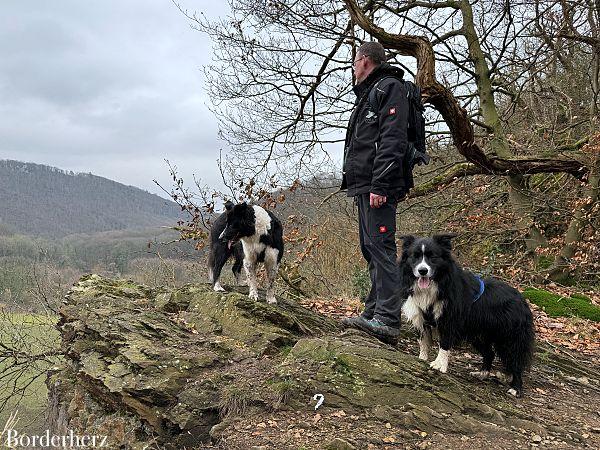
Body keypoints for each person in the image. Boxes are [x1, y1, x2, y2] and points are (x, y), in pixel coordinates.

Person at [341, 42, 408, 345]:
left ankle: (388, 320)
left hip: (378, 186)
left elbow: (392, 139)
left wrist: (380, 185)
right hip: (364, 185)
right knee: (370, 247)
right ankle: (373, 313)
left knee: (381, 247)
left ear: (365, 60)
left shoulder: (389, 87)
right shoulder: (369, 94)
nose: (353, 68)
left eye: (354, 62)